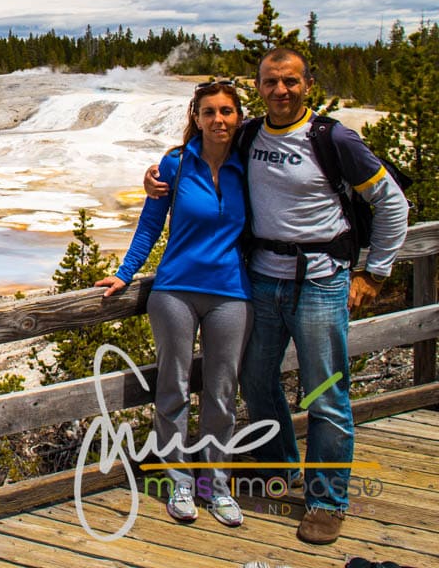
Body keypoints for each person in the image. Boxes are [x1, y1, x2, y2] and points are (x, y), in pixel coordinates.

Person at [144, 47, 409, 545]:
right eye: (270, 82)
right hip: (262, 280)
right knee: (255, 380)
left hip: (321, 281)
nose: (280, 91)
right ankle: (280, 466)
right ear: (259, 88)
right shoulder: (248, 135)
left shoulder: (333, 138)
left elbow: (392, 201)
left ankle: (327, 499)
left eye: (289, 81)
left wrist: (374, 273)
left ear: (307, 83)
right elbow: (202, 159)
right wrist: (157, 181)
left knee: (325, 393)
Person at [95, 80, 252, 526]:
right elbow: (150, 224)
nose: (218, 120)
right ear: (195, 117)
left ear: (238, 117)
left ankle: (216, 486)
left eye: (226, 111)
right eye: (208, 112)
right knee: (174, 388)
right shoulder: (176, 164)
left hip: (232, 293)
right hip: (175, 292)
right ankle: (179, 482)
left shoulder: (249, 165)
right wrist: (125, 273)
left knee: (222, 393)